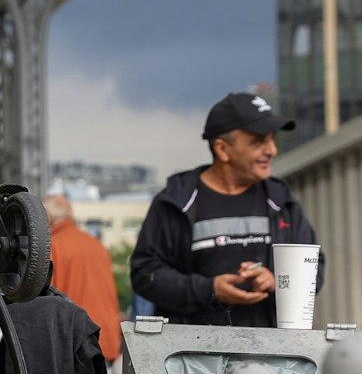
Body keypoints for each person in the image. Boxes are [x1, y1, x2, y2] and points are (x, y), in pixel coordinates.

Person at [130, 92, 318, 328]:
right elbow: (145, 274)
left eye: (272, 139)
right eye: (258, 141)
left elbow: (313, 266)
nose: (272, 150)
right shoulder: (176, 202)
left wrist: (277, 282)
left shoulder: (281, 200)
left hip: (273, 358)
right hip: (192, 358)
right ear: (222, 149)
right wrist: (209, 290)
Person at [44, 195, 122, 369]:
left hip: (73, 343)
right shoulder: (97, 246)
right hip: (105, 340)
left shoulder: (52, 247)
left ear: (47, 218)